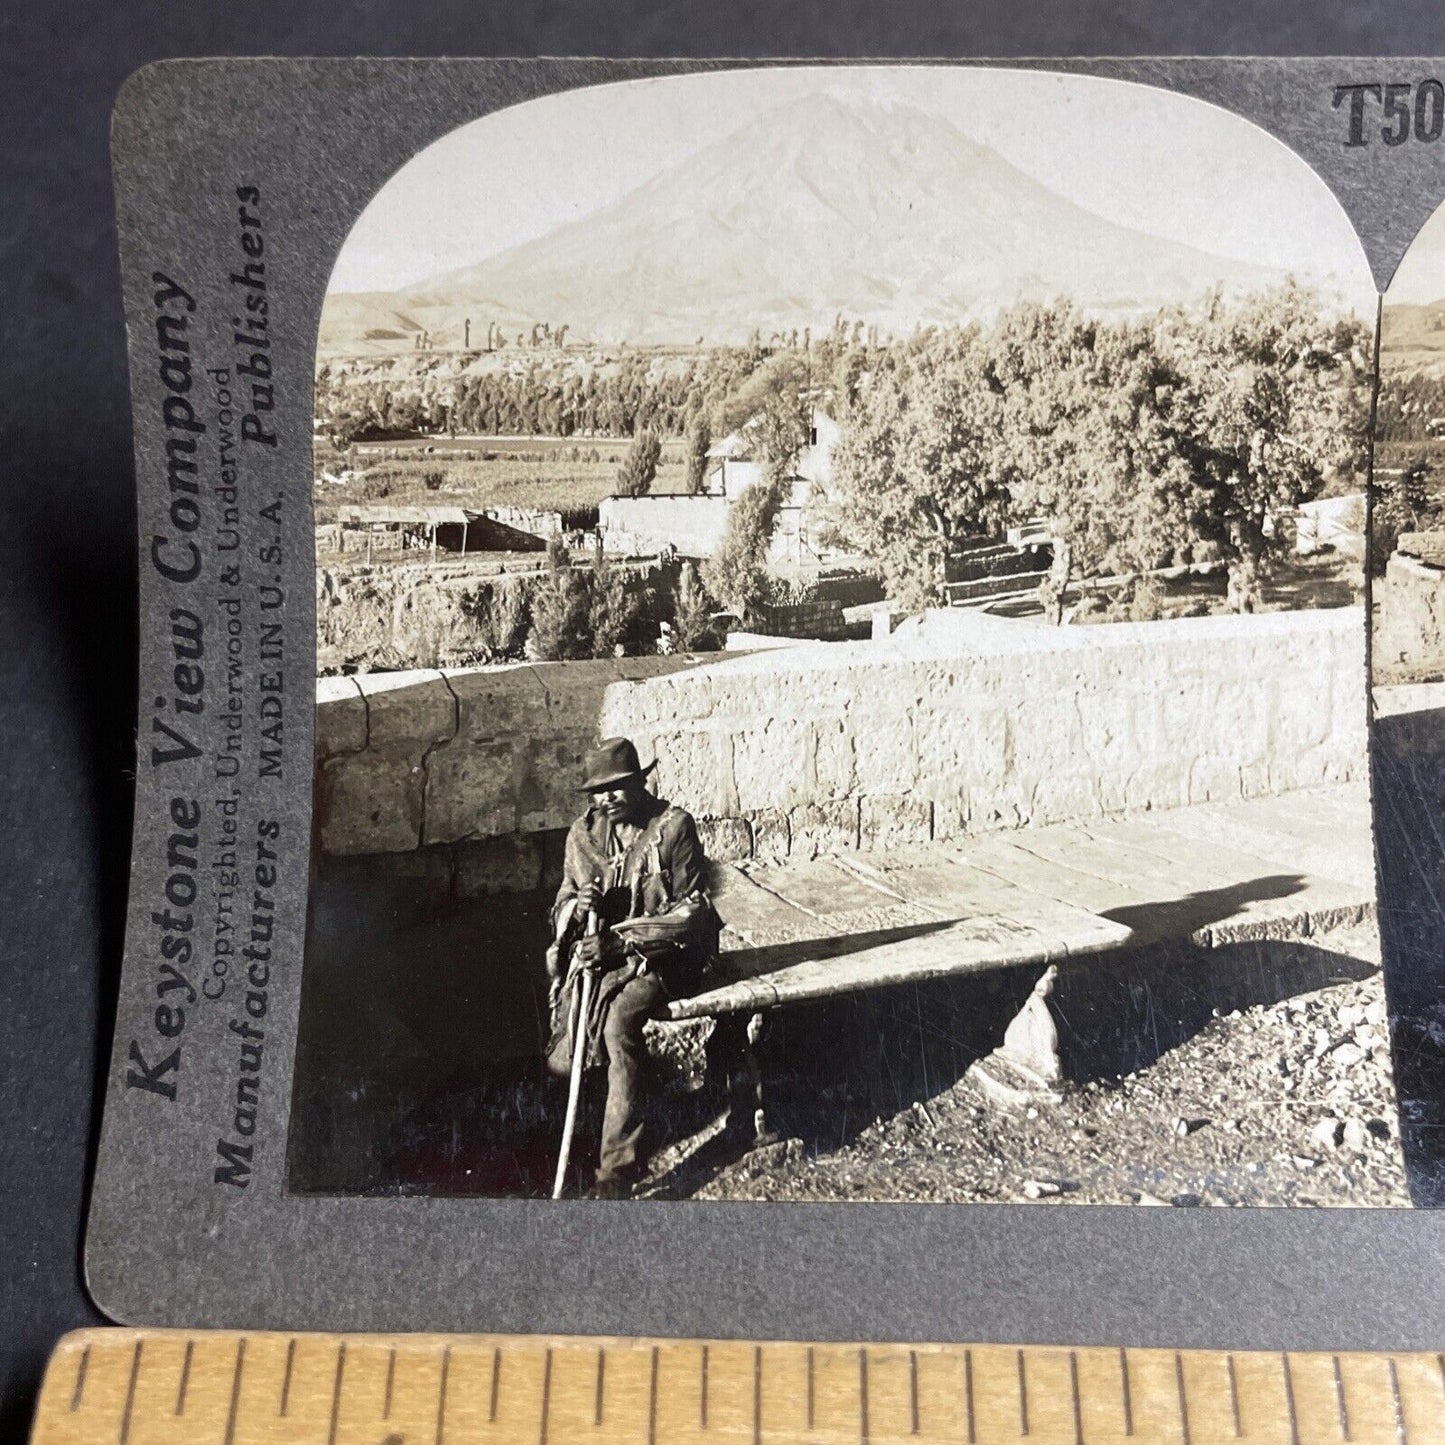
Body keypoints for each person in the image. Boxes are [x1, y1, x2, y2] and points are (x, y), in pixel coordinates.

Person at [546, 737, 720, 1198]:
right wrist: (578, 909)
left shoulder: (674, 828)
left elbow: (693, 913)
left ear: (640, 782)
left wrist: (620, 940)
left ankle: (616, 1171)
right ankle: (610, 1117)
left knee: (619, 1021)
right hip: (606, 956)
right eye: (598, 792)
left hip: (669, 958)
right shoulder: (583, 836)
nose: (607, 800)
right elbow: (560, 905)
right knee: (578, 1025)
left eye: (617, 788)